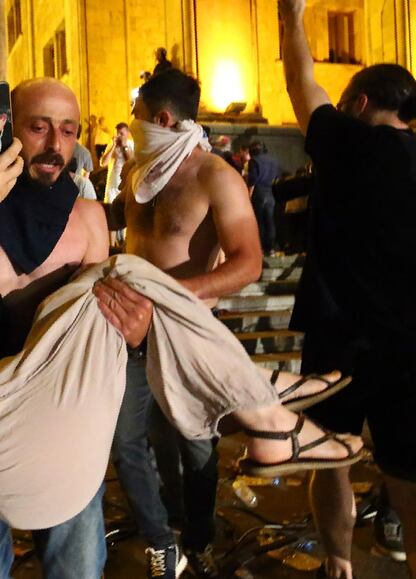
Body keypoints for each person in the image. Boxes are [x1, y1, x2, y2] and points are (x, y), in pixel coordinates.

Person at [0, 78, 362, 579]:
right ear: (10, 127)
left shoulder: (87, 219)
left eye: (69, 130)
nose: (56, 143)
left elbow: (104, 322)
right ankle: (260, 399)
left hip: (63, 414)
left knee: (78, 565)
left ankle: (251, 406)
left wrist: (135, 328)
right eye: (38, 127)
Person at [112, 68, 357, 578]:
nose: (132, 127)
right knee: (132, 439)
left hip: (187, 335)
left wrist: (172, 297)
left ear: (162, 118)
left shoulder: (213, 174)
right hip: (130, 332)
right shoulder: (139, 172)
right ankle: (165, 534)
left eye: (137, 117)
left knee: (196, 444)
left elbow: (248, 261)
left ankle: (197, 537)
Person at [280, 1, 416, 577]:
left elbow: (299, 80)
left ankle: (338, 561)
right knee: (409, 471)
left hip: (339, 332)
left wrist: (293, 16)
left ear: (359, 103)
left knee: (329, 455)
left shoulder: (347, 141)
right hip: (410, 342)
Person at [246, 140, 281, 255]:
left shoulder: (254, 161)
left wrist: (248, 195)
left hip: (259, 192)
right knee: (270, 220)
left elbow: (253, 180)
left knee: (259, 220)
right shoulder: (273, 161)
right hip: (271, 191)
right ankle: (271, 248)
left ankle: (260, 247)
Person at [100, 122, 134, 203]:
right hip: (112, 186)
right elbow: (103, 163)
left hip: (125, 186)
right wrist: (112, 147)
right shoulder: (111, 145)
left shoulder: (131, 145)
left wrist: (124, 147)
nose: (118, 136)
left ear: (127, 133)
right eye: (117, 134)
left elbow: (131, 163)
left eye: (121, 134)